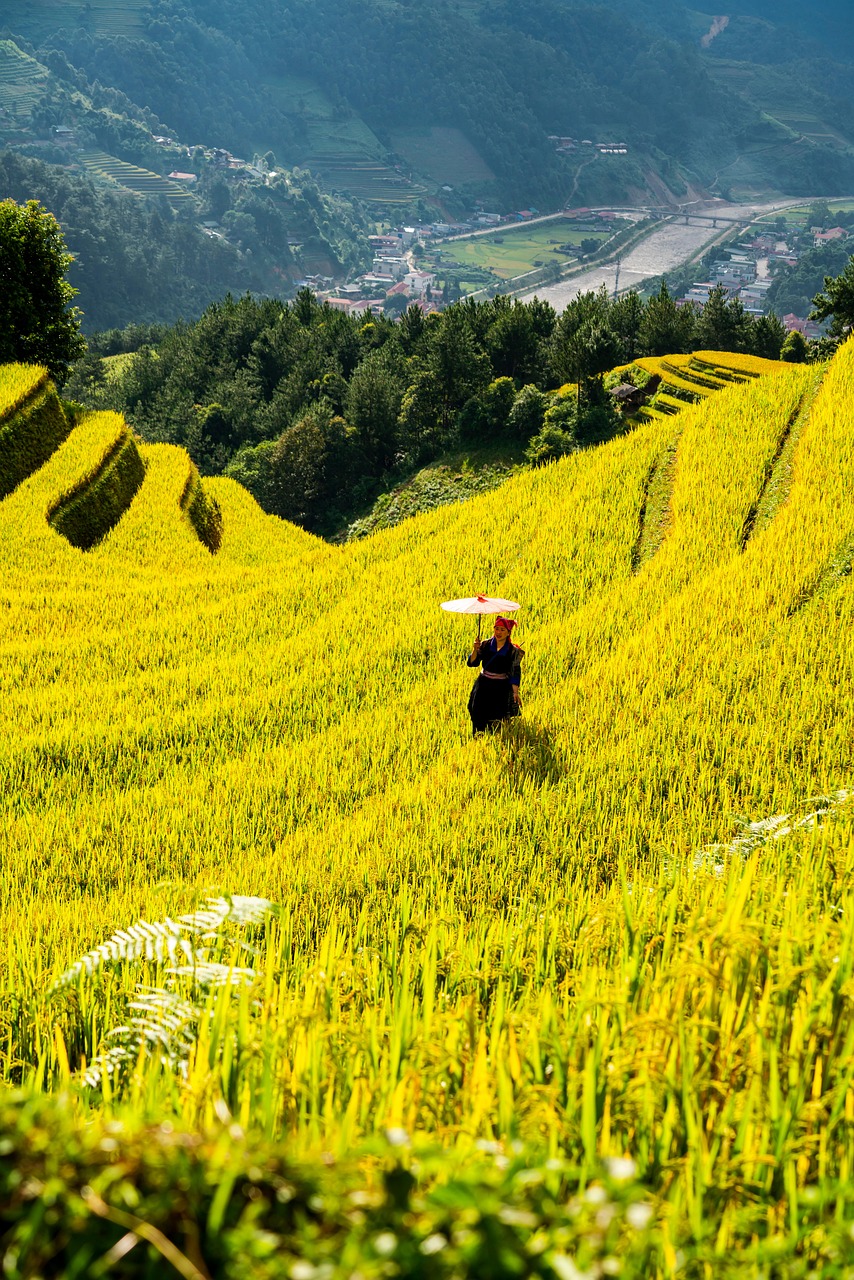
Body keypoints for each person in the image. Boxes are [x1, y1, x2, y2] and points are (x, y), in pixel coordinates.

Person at [466, 615, 523, 735]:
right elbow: (473, 663)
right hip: (483, 684)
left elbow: (515, 672)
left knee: (498, 716)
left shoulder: (512, 651)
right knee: (477, 711)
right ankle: (478, 738)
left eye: (502, 630)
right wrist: (475, 650)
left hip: (500, 687)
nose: (499, 632)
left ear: (508, 633)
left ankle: (495, 740)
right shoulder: (485, 644)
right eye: (497, 628)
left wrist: (515, 692)